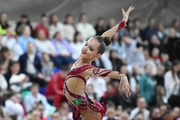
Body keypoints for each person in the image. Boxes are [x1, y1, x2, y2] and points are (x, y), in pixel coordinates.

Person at [63, 6, 134, 120]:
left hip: (89, 111)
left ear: (96, 56)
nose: (85, 48)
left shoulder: (86, 68)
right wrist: (122, 23)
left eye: (90, 49)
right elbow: (103, 38)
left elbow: (105, 72)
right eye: (86, 44)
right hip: (80, 102)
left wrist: (122, 76)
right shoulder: (81, 59)